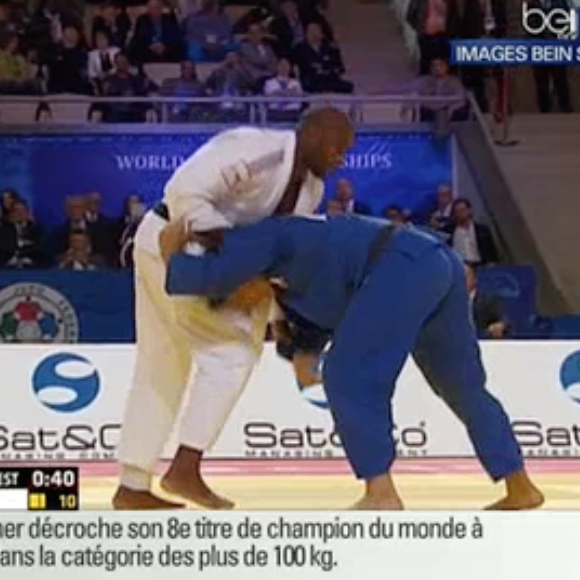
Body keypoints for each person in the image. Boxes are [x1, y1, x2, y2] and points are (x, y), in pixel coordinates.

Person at [160, 214, 544, 511]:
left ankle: (381, 493)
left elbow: (209, 275)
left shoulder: (257, 240)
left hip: (401, 264)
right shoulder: (286, 291)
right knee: (461, 386)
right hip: (432, 262)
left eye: (234, 297)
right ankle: (520, 486)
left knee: (348, 377)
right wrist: (296, 352)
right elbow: (317, 336)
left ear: (240, 276)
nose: (242, 305)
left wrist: (169, 254)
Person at [113, 107, 355, 510]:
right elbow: (183, 190)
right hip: (174, 242)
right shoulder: (256, 149)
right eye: (337, 148)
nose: (339, 159)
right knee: (233, 354)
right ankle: (184, 469)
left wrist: (278, 316)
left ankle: (132, 484)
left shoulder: (310, 190)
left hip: (193, 255)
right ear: (314, 135)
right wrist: (233, 266)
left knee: (163, 364)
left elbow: (279, 252)